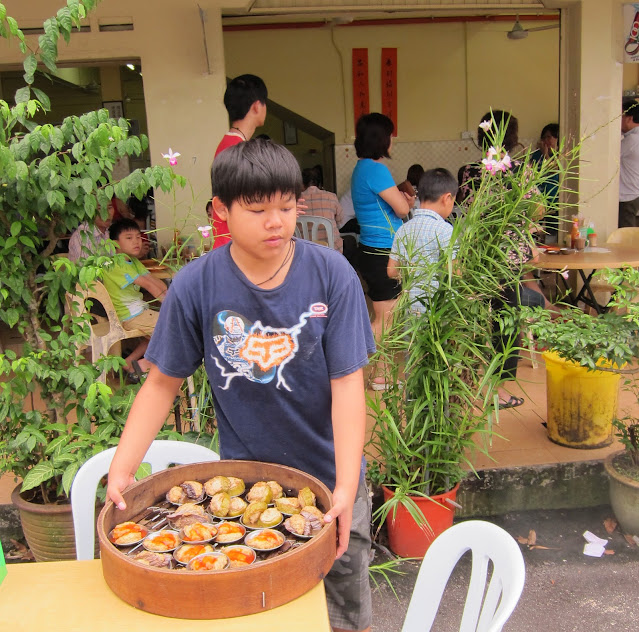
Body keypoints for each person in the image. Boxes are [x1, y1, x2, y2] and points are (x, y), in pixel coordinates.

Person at [106, 140, 375, 632]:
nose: (277, 221)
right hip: (248, 486)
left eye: (287, 207)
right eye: (258, 209)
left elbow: (348, 386)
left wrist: (346, 486)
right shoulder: (196, 284)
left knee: (346, 610)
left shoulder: (331, 274)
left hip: (334, 477)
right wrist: (122, 468)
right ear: (221, 211)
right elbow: (161, 384)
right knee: (259, 607)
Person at [458, 111, 546, 409]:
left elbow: (468, 208)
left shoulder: (469, 171)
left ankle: (469, 384)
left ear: (484, 135)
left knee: (474, 322)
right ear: (512, 137)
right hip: (508, 259)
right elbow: (535, 212)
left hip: (479, 257)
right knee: (506, 324)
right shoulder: (521, 170)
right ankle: (499, 390)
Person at [351, 113, 413, 355]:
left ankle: (377, 372)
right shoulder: (376, 169)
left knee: (385, 318)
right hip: (383, 252)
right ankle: (374, 373)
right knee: (385, 321)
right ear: (381, 139)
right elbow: (402, 209)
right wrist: (406, 202)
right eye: (390, 135)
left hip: (372, 250)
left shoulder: (361, 168)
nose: (392, 140)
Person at [101, 219, 168, 375]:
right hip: (128, 316)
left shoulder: (133, 261)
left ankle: (130, 363)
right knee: (170, 330)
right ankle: (146, 366)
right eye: (129, 238)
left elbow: (155, 282)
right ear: (115, 243)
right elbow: (149, 285)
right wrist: (173, 307)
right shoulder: (115, 263)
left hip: (139, 312)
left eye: (138, 237)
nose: (136, 242)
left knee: (162, 328)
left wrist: (169, 298)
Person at [388, 168, 457, 313]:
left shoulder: (403, 230)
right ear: (447, 198)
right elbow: (455, 272)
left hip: (410, 307)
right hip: (439, 308)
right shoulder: (445, 230)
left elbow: (392, 271)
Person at [212, 74, 268, 249]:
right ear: (257, 106)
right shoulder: (238, 149)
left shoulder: (228, 144)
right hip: (236, 246)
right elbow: (250, 202)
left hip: (229, 241)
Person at [300, 167, 344, 253]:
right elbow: (340, 222)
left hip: (304, 251)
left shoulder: (293, 201)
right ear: (320, 184)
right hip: (331, 251)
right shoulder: (331, 197)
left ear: (302, 184)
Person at [531, 123, 560, 240]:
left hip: (554, 201)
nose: (546, 140)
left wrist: (546, 155)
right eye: (544, 137)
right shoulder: (536, 155)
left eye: (549, 137)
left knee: (552, 235)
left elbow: (554, 171)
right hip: (538, 201)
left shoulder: (561, 155)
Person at [619, 98, 639, 228]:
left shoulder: (632, 139)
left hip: (627, 196)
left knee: (625, 237)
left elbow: (608, 154)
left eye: (620, 116)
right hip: (632, 192)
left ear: (628, 118)